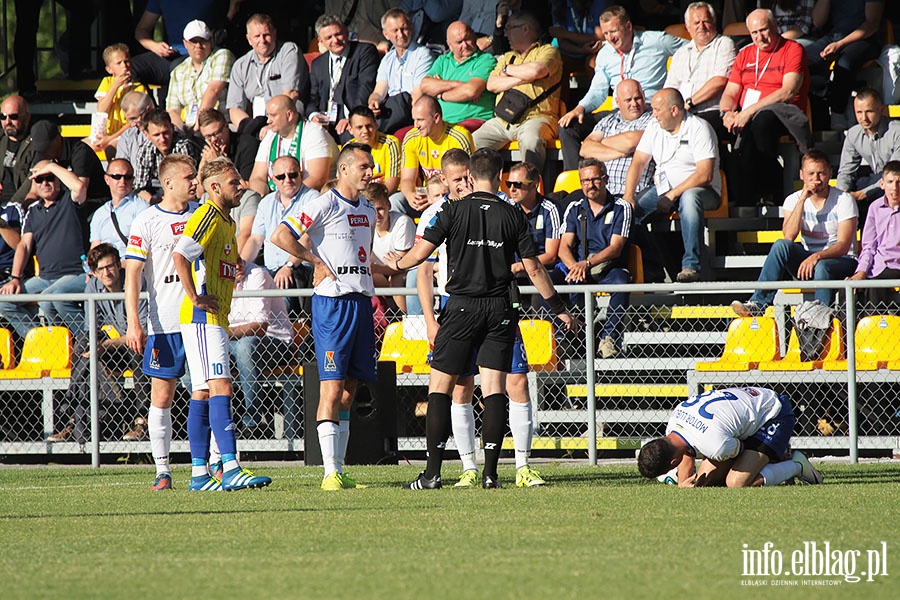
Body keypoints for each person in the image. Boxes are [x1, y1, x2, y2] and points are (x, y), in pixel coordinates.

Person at [395, 148, 579, 490]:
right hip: (499, 308)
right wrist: (558, 307)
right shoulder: (512, 215)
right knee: (494, 389)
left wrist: (398, 263)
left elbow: (420, 255)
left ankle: (432, 474)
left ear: (470, 176)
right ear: (498, 177)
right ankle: (491, 474)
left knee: (441, 388)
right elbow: (534, 267)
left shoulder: (452, 210)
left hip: (461, 307)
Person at [270, 142, 378, 491]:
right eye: (363, 166)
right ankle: (329, 472)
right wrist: (315, 261)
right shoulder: (324, 203)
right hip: (332, 305)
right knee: (330, 388)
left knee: (349, 390)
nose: (369, 171)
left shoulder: (370, 210)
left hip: (361, 303)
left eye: (371, 165)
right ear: (343, 169)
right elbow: (279, 235)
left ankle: (340, 470)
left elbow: (365, 258)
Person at [172, 156, 272, 491]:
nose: (241, 186)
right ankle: (229, 465)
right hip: (204, 316)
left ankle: (200, 474)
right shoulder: (207, 214)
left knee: (202, 393)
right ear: (214, 188)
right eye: (233, 183)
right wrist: (196, 296)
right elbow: (180, 255)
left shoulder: (225, 221)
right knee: (221, 386)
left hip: (214, 317)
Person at [125, 153, 200, 491]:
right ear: (169, 183)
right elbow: (133, 275)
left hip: (199, 319)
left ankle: (208, 465)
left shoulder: (201, 216)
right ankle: (163, 470)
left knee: (207, 391)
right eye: (189, 177)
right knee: (162, 396)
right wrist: (133, 323)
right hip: (163, 323)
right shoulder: (146, 220)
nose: (195, 182)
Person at [557, 5, 687, 171]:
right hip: (618, 112)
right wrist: (580, 108)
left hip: (648, 110)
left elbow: (693, 49)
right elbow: (598, 90)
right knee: (568, 126)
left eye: (614, 31)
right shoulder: (605, 53)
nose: (610, 38)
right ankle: (578, 179)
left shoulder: (656, 40)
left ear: (628, 26)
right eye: (605, 34)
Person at [731, 149, 858, 316]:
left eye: (821, 174)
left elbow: (843, 245)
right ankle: (758, 303)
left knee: (822, 266)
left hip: (841, 261)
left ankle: (820, 315)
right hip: (807, 262)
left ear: (830, 174)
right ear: (801, 175)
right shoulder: (793, 200)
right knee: (780, 245)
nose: (816, 179)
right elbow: (789, 236)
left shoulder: (844, 200)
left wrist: (816, 256)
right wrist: (802, 199)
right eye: (811, 174)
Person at [47, 244, 148, 444]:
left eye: (110, 266)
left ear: (119, 265)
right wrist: (96, 346)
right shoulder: (92, 286)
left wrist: (105, 345)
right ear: (93, 272)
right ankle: (78, 420)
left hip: (140, 346)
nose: (107, 272)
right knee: (83, 347)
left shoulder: (137, 281)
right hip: (115, 350)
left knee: (136, 348)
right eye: (100, 269)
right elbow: (92, 327)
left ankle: (141, 421)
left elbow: (141, 332)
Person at [625, 88, 722, 284]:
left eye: (657, 109)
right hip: (663, 189)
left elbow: (705, 174)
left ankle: (691, 266)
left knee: (689, 198)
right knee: (628, 213)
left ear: (674, 110)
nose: (653, 114)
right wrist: (628, 195)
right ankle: (649, 268)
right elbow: (638, 162)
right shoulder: (654, 127)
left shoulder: (699, 128)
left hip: (703, 190)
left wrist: (673, 195)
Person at [637, 386, 823, 487]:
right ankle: (773, 458)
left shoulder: (714, 444)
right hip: (747, 411)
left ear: (671, 464)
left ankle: (796, 465)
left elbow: (739, 449)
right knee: (704, 482)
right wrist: (683, 485)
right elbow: (686, 453)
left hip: (774, 414)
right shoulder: (673, 423)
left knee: (736, 482)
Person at [719, 8, 810, 207]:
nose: (760, 37)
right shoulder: (745, 54)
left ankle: (768, 192)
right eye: (754, 33)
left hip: (781, 111)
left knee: (760, 122)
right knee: (708, 125)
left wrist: (748, 112)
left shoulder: (792, 49)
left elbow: (788, 91)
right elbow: (730, 92)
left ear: (775, 26)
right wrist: (726, 113)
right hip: (746, 113)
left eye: (764, 30)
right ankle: (728, 193)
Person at [0, 160, 88, 339]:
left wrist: (51, 166)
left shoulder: (68, 201)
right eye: (39, 179)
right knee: (4, 302)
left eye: (49, 178)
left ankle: (88, 342)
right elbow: (23, 245)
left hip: (74, 273)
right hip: (45, 277)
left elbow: (79, 186)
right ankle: (43, 342)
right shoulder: (33, 211)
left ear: (58, 179)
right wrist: (15, 278)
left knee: (49, 298)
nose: (45, 183)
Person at [557, 158, 632, 359]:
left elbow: (616, 248)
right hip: (581, 267)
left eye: (595, 179)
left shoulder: (621, 206)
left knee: (621, 283)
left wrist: (587, 263)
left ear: (606, 179)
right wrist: (574, 267)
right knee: (551, 279)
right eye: (585, 181)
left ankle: (609, 338)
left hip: (608, 267)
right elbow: (563, 246)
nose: (590, 185)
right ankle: (568, 340)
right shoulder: (574, 207)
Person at [472, 11, 563, 172]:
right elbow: (492, 84)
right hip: (502, 121)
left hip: (536, 117)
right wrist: (522, 77)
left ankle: (530, 188)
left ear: (525, 29)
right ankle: (482, 189)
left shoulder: (548, 51)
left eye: (509, 28)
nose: (505, 34)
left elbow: (536, 71)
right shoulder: (508, 56)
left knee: (531, 141)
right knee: (472, 142)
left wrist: (508, 70)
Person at [228, 259, 296, 434]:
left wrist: (222, 332)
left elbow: (260, 327)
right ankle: (219, 422)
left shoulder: (257, 275)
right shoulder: (212, 280)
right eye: (230, 261)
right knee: (199, 352)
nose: (238, 264)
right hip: (230, 341)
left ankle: (254, 423)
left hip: (275, 341)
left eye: (238, 258)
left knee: (245, 346)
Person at [805, 0, 884, 129]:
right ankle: (822, 108)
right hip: (834, 36)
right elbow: (817, 22)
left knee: (844, 63)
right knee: (802, 60)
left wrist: (840, 44)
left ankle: (838, 112)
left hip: (864, 39)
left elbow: (872, 24)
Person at [664, 2, 737, 137]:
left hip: (712, 111)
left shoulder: (724, 45)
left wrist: (689, 103)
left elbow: (720, 81)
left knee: (694, 129)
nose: (701, 27)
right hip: (682, 113)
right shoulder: (680, 53)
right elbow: (670, 88)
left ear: (714, 22)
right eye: (696, 23)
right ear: (687, 27)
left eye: (706, 21)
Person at [227, 13, 309, 133]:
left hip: (287, 120)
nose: (262, 41)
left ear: (274, 34)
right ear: (249, 39)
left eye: (266, 35)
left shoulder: (288, 51)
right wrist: (252, 129)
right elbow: (234, 109)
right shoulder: (240, 65)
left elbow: (291, 94)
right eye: (257, 36)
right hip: (255, 124)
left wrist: (271, 127)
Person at [306, 14, 381, 144]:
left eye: (338, 34)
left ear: (346, 32)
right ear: (321, 41)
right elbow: (313, 97)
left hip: (351, 117)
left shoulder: (364, 52)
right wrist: (314, 116)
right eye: (328, 37)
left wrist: (352, 118)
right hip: (326, 120)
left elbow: (366, 87)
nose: (335, 40)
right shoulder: (318, 64)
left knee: (348, 137)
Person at [195, 108, 261, 253]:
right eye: (208, 136)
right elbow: (199, 193)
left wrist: (219, 161)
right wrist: (202, 167)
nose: (213, 140)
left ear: (226, 126)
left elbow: (247, 186)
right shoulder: (207, 150)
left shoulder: (247, 145)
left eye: (216, 133)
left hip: (243, 203)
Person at [399, 95, 474, 216]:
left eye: (420, 120)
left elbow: (468, 180)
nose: (415, 125)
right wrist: (411, 196)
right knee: (396, 202)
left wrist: (440, 198)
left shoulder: (459, 137)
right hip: (428, 194)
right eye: (414, 120)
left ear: (436, 118)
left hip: (452, 194)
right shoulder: (411, 138)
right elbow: (407, 179)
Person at [579, 79, 655, 199]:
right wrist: (621, 153)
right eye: (628, 100)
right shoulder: (608, 121)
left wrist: (601, 142)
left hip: (636, 193)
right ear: (618, 102)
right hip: (603, 192)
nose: (634, 104)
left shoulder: (653, 118)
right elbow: (586, 149)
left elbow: (631, 142)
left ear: (644, 96)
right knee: (564, 204)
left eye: (638, 98)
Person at [249, 94, 336, 196]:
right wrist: (266, 199)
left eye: (273, 115)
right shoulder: (270, 136)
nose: (268, 121)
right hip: (277, 199)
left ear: (289, 115)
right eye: (268, 116)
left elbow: (318, 179)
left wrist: (285, 199)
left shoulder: (314, 133)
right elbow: (257, 178)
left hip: (310, 199)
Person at [835, 88, 900, 222]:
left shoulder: (896, 131)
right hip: (877, 181)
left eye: (869, 111)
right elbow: (846, 170)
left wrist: (863, 194)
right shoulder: (854, 134)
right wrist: (841, 194)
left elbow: (895, 173)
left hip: (895, 181)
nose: (863, 118)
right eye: (859, 112)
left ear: (881, 110)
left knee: (880, 183)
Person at [419, 21, 497, 129]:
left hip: (475, 120)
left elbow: (471, 91)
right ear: (450, 45)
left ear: (474, 36)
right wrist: (458, 84)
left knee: (454, 135)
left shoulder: (485, 60)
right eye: (459, 42)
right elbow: (424, 85)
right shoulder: (443, 60)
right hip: (443, 123)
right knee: (404, 136)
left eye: (467, 39)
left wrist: (441, 95)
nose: (465, 45)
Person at [368, 8, 435, 134]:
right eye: (395, 31)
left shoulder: (423, 55)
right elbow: (379, 91)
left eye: (404, 29)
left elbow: (417, 95)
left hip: (410, 109)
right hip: (391, 110)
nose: (401, 34)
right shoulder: (388, 59)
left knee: (401, 99)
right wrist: (374, 101)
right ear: (386, 34)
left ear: (411, 28)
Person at [12, 121, 107, 209]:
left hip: (92, 203)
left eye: (45, 147)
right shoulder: (42, 153)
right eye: (39, 149)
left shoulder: (80, 152)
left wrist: (52, 167)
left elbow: (80, 192)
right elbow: (34, 191)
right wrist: (23, 210)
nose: (42, 152)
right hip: (59, 206)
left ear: (57, 139)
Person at [166, 20, 235, 134]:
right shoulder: (177, 71)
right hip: (189, 129)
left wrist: (199, 126)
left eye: (203, 41)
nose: (198, 46)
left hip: (218, 127)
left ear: (211, 41)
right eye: (193, 42)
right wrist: (181, 133)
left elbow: (213, 90)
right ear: (185, 44)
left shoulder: (222, 56)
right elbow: (172, 110)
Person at [848, 161, 900, 308]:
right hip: (876, 267)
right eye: (890, 182)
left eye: (899, 182)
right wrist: (861, 272)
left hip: (896, 266)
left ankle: (876, 327)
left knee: (877, 285)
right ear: (882, 184)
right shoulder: (875, 208)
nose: (895, 188)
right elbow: (869, 247)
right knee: (850, 288)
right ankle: (852, 330)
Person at [507, 161, 562, 296]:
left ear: (534, 185)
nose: (512, 189)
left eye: (518, 184)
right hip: (514, 270)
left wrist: (521, 266)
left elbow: (551, 256)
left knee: (540, 282)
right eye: (509, 184)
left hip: (544, 269)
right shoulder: (507, 209)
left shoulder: (550, 209)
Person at [133, 108, 202, 203]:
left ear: (172, 128)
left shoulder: (183, 146)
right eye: (156, 135)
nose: (162, 139)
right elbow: (140, 187)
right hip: (156, 195)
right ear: (147, 134)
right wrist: (152, 200)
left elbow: (186, 182)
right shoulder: (144, 150)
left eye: (165, 133)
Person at [368, 182, 415, 314]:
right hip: (381, 271)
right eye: (372, 209)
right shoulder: (364, 226)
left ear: (389, 205)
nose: (377, 215)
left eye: (380, 209)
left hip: (405, 272)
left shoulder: (402, 223)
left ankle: (407, 319)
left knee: (396, 279)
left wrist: (375, 267)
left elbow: (402, 265)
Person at [89, 159, 151, 257]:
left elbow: (144, 249)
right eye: (117, 177)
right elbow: (94, 250)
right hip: (105, 269)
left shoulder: (141, 208)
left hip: (131, 266)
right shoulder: (99, 213)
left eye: (128, 177)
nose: (122, 181)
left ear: (133, 180)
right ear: (107, 179)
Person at [93, 44, 150, 150]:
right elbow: (102, 109)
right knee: (85, 147)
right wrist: (115, 86)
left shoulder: (138, 88)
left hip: (126, 133)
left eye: (127, 61)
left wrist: (110, 139)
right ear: (109, 69)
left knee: (111, 149)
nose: (124, 66)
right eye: (118, 63)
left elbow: (133, 122)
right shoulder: (107, 82)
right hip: (106, 132)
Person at [346, 107, 402, 195]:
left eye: (369, 126)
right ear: (350, 129)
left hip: (386, 197)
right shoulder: (348, 148)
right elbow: (344, 183)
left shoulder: (390, 144)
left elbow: (391, 185)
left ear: (376, 124)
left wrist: (368, 204)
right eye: (359, 127)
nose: (365, 131)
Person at [0, 95, 35, 205]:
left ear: (27, 117)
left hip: (20, 205)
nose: (7, 121)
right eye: (3, 116)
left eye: (13, 116)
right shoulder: (1, 139)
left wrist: (12, 207)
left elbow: (31, 182)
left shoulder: (35, 143)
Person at [115, 92, 155, 166]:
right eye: (128, 120)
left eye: (134, 118)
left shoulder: (168, 133)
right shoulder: (127, 137)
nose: (132, 124)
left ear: (149, 110)